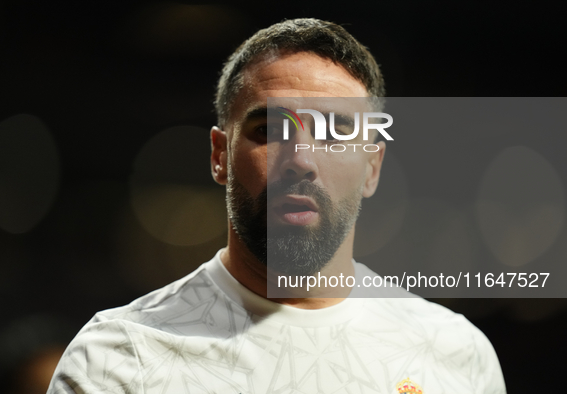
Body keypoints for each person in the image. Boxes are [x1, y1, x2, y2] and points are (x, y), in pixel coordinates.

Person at [47, 18, 506, 393]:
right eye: (268, 130)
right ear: (219, 156)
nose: (301, 160)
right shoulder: (119, 361)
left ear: (372, 167)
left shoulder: (456, 356)